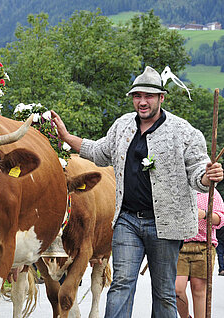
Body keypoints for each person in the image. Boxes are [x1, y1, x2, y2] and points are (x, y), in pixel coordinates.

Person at [51, 66, 224, 318]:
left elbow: (198, 172)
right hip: (127, 220)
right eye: (137, 96)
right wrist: (66, 137)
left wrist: (208, 177)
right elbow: (99, 152)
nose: (142, 102)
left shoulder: (184, 132)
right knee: (121, 285)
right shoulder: (122, 125)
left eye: (149, 96)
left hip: (166, 224)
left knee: (165, 292)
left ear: (161, 98)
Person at [175, 190, 224, 318]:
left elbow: (220, 220)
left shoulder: (211, 193)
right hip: (180, 245)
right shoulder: (179, 191)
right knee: (176, 290)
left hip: (204, 246)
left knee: (199, 290)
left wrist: (204, 214)